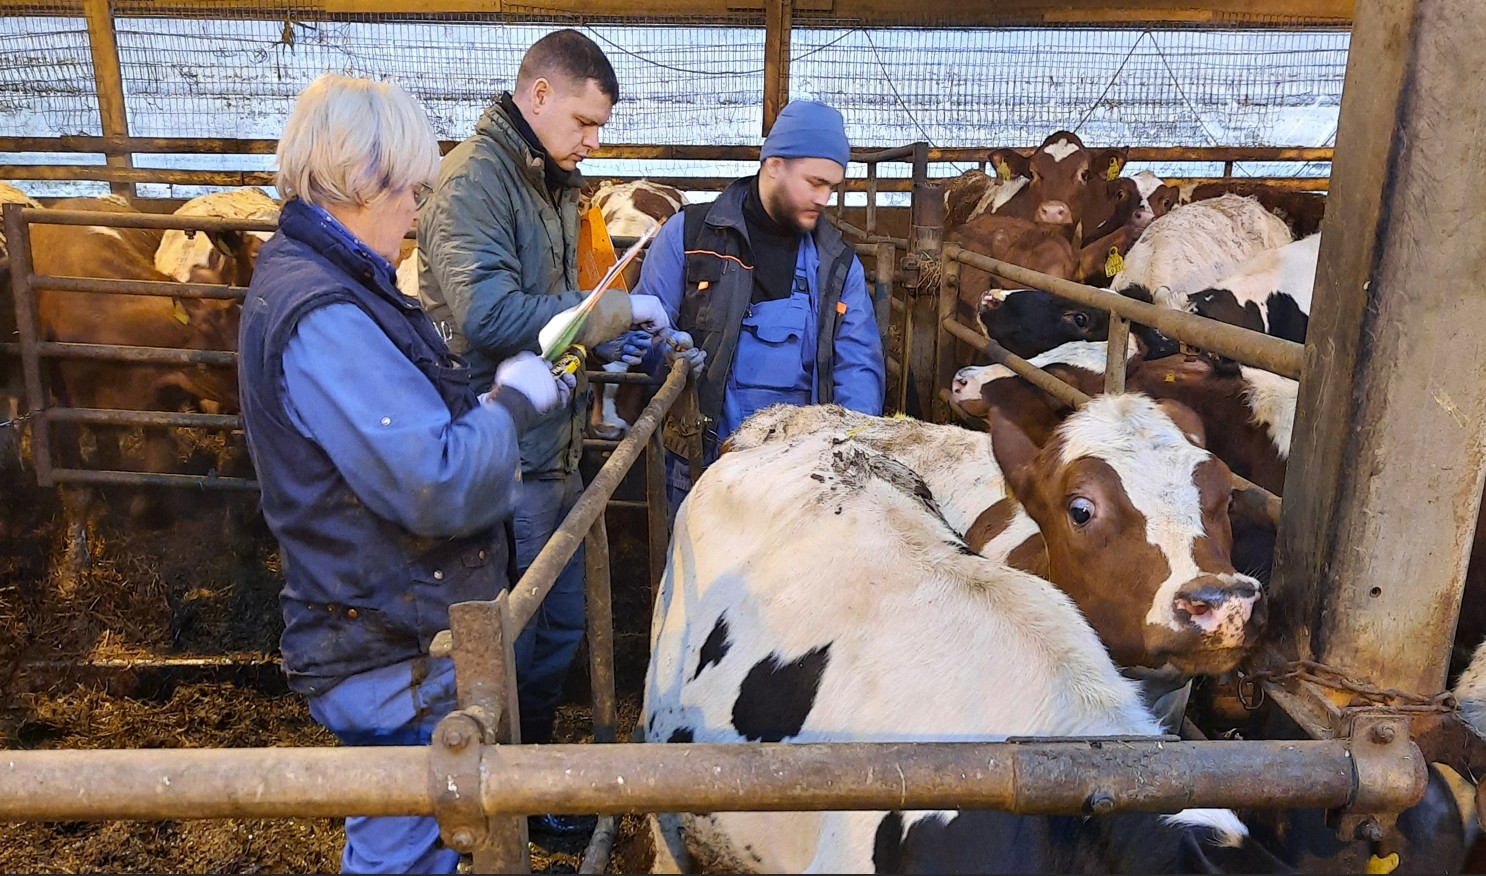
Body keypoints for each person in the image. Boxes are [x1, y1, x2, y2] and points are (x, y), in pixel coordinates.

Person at [238, 73, 575, 874]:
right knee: (407, 843)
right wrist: (510, 407)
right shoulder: (323, 311)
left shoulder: (336, 283)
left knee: (400, 834)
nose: (419, 211)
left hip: (387, 622)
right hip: (389, 643)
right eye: (412, 190)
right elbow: (435, 481)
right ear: (361, 179)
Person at [414, 28, 670, 834]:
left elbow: (555, 317)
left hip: (550, 443)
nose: (595, 142)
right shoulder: (474, 183)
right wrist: (613, 312)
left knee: (556, 623)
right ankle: (497, 812)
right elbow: (489, 315)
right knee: (508, 640)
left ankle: (530, 791)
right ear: (540, 97)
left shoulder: (549, 180)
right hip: (498, 452)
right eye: (586, 123)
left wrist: (615, 336)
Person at [629, 99, 886, 513]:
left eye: (832, 187)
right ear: (773, 165)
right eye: (814, 182)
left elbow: (858, 366)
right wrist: (669, 359)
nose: (824, 198)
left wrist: (846, 453)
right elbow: (642, 334)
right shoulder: (689, 235)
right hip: (701, 461)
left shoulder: (837, 264)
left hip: (801, 476)